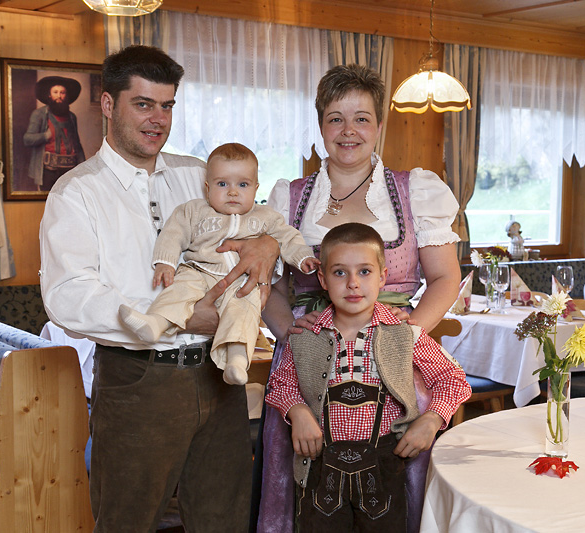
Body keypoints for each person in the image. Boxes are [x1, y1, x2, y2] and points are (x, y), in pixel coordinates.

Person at [39, 45, 279, 532]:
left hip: (219, 375)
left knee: (225, 520)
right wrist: (183, 318)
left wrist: (268, 246)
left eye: (167, 105)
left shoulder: (198, 174)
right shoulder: (77, 191)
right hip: (137, 381)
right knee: (127, 522)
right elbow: (68, 296)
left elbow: (253, 224)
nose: (158, 119)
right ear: (109, 104)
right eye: (143, 104)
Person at [255, 64, 462, 532]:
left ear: (379, 125)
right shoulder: (287, 199)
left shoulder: (416, 191)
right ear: (320, 126)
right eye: (335, 118)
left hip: (395, 363)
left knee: (392, 492)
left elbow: (445, 277)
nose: (348, 130)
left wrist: (405, 335)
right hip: (308, 365)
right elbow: (271, 286)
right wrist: (289, 334)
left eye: (361, 118)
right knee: (309, 492)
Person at [266, 223, 470, 531]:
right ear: (322, 279)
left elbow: (452, 378)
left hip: (385, 468)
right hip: (319, 469)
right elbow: (280, 384)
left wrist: (431, 420)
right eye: (339, 272)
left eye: (364, 272)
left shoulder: (404, 334)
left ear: (382, 277)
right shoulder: (305, 337)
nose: (353, 284)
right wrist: (298, 412)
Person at [119, 142, 319, 385]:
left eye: (242, 185)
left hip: (239, 282)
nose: (232, 192)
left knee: (244, 308)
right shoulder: (194, 211)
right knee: (178, 291)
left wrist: (302, 257)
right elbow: (173, 233)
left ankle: (237, 360)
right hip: (198, 270)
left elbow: (289, 237)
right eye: (222, 184)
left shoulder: (265, 217)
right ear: (208, 187)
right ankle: (155, 323)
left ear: (256, 188)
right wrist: (165, 262)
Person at [23, 75, 86, 191]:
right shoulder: (39, 114)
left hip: (70, 169)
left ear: (66, 95)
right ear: (49, 95)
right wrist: (45, 136)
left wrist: (83, 168)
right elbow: (27, 139)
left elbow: (77, 144)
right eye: (55, 92)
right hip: (49, 171)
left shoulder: (72, 117)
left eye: (62, 92)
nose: (59, 96)